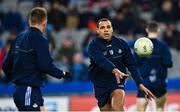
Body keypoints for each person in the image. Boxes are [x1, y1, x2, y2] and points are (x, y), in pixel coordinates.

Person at [2, 7, 72, 111]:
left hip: (25, 90)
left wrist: (17, 80)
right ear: (45, 22)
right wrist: (63, 74)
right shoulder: (40, 39)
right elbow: (46, 66)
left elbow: (5, 65)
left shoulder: (19, 37)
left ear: (29, 20)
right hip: (29, 90)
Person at [88, 18, 155, 111]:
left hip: (117, 81)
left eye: (108, 27)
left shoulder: (121, 44)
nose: (106, 29)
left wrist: (140, 84)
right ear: (98, 31)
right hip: (100, 83)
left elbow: (131, 65)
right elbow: (101, 60)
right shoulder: (93, 46)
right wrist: (114, 69)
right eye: (102, 28)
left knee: (117, 108)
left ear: (112, 29)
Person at [134, 22, 173, 111]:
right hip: (159, 81)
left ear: (147, 29)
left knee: (140, 109)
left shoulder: (139, 45)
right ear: (158, 30)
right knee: (159, 108)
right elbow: (168, 63)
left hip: (144, 82)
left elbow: (134, 62)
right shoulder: (163, 46)